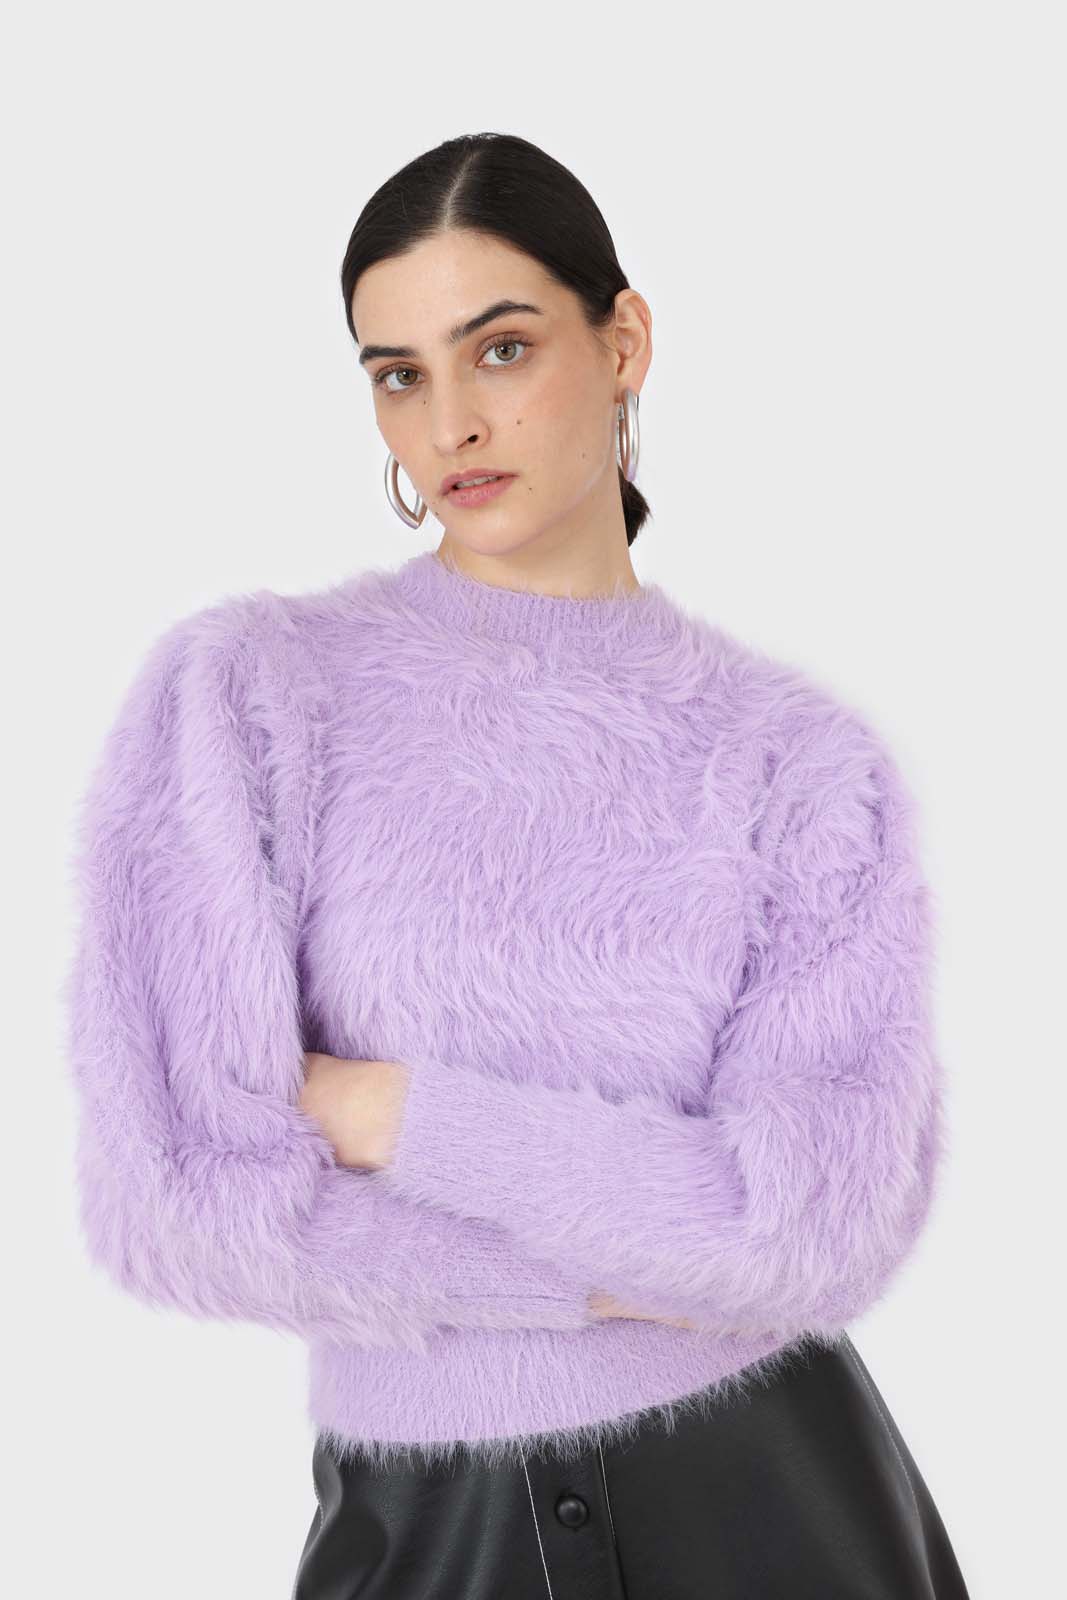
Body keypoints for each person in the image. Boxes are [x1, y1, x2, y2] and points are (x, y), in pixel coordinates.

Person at [64, 132, 970, 1598]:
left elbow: (814, 1226)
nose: (449, 424)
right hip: (429, 1525)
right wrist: (627, 1268)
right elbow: (183, 1196)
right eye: (398, 372)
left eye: (500, 349)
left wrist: (383, 1110)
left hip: (774, 1502)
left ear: (624, 343)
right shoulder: (254, 696)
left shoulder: (799, 762)